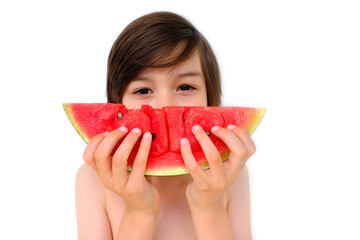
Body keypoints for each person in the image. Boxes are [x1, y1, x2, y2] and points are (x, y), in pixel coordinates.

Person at [76, 11, 255, 240]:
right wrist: (139, 211)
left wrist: (209, 208)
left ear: (210, 99)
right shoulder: (94, 179)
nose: (165, 106)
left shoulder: (230, 173)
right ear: (117, 106)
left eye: (186, 87)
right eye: (143, 91)